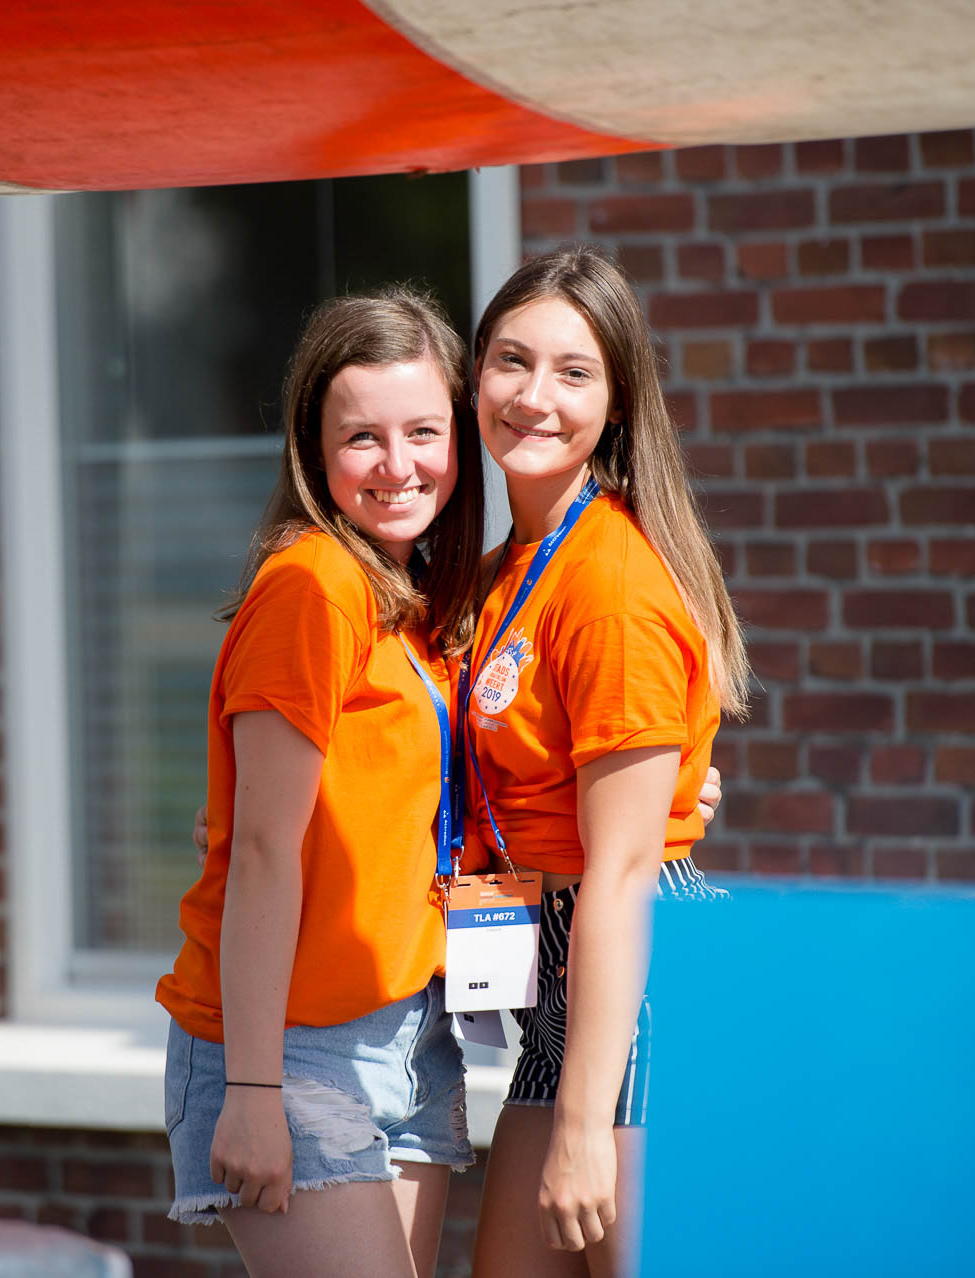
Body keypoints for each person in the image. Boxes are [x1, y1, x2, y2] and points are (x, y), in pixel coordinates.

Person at [155, 286, 488, 1278]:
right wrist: (254, 1090)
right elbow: (264, 851)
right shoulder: (314, 586)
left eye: (423, 432)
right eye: (362, 439)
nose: (398, 465)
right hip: (293, 1049)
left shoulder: (415, 597)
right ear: (314, 448)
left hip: (411, 1032)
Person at [464, 245, 750, 1278]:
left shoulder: (612, 587)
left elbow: (626, 871)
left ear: (618, 401)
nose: (534, 396)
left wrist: (586, 1125)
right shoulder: (501, 573)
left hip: (627, 979)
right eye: (511, 360)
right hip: (552, 982)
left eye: (573, 372)